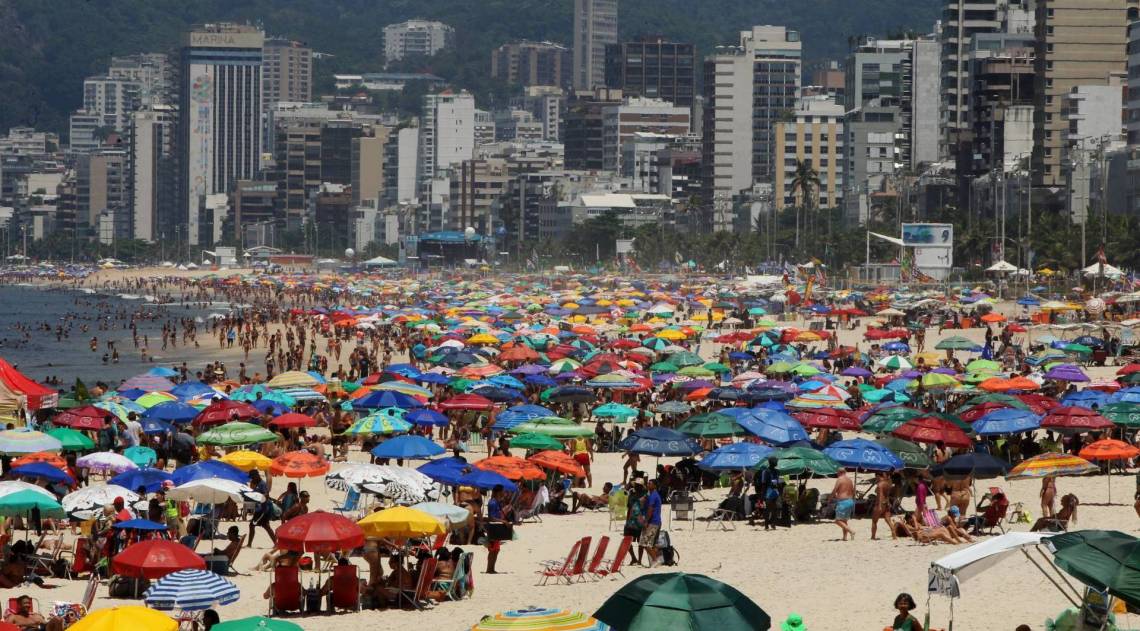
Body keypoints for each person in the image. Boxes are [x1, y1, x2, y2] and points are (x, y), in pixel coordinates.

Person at [485, 485, 512, 574]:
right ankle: (489, 569)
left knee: (496, 550)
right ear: (498, 492)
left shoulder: (497, 502)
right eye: (503, 491)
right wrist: (504, 521)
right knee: (492, 549)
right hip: (493, 528)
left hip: (496, 527)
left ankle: (492, 568)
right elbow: (491, 517)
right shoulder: (493, 503)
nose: (504, 493)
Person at [752, 457, 782, 529]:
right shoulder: (765, 472)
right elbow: (764, 484)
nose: (777, 463)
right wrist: (763, 494)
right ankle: (766, 524)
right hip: (768, 491)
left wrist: (779, 486)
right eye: (776, 461)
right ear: (772, 462)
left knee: (776, 508)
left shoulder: (777, 471)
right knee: (768, 509)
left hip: (775, 491)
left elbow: (778, 481)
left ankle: (773, 523)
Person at [247, 470, 276, 547]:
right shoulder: (255, 483)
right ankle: (276, 543)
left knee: (255, 525)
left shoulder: (262, 484)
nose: (252, 478)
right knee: (264, 526)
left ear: (256, 476)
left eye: (252, 477)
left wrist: (259, 497)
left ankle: (249, 544)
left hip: (263, 508)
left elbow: (266, 495)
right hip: (260, 508)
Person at [623, 481, 646, 566]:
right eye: (636, 485)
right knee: (627, 540)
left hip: (640, 521)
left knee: (640, 542)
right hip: (631, 521)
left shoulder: (645, 496)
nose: (636, 486)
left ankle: (639, 560)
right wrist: (627, 521)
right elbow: (629, 508)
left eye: (638, 485)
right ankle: (633, 558)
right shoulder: (631, 495)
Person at [641, 479, 663, 567]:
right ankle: (657, 560)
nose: (648, 485)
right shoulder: (652, 495)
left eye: (650, 484)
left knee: (645, 543)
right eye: (648, 483)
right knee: (653, 544)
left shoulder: (653, 496)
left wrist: (646, 521)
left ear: (654, 486)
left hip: (652, 522)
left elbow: (650, 509)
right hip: (657, 521)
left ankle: (656, 560)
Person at [831, 467, 856, 541]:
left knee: (838, 520)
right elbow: (853, 491)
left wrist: (830, 498)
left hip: (843, 502)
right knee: (844, 521)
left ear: (840, 472)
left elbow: (835, 490)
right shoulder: (850, 480)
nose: (837, 474)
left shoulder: (840, 479)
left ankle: (851, 531)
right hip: (850, 501)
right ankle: (845, 537)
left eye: (837, 472)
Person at [871, 472, 896, 541]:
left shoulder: (880, 484)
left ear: (878, 476)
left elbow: (880, 495)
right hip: (886, 503)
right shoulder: (888, 484)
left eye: (876, 477)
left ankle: (873, 536)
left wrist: (879, 506)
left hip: (880, 503)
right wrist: (888, 503)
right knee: (888, 520)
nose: (876, 479)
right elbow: (886, 495)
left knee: (874, 521)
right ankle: (894, 534)